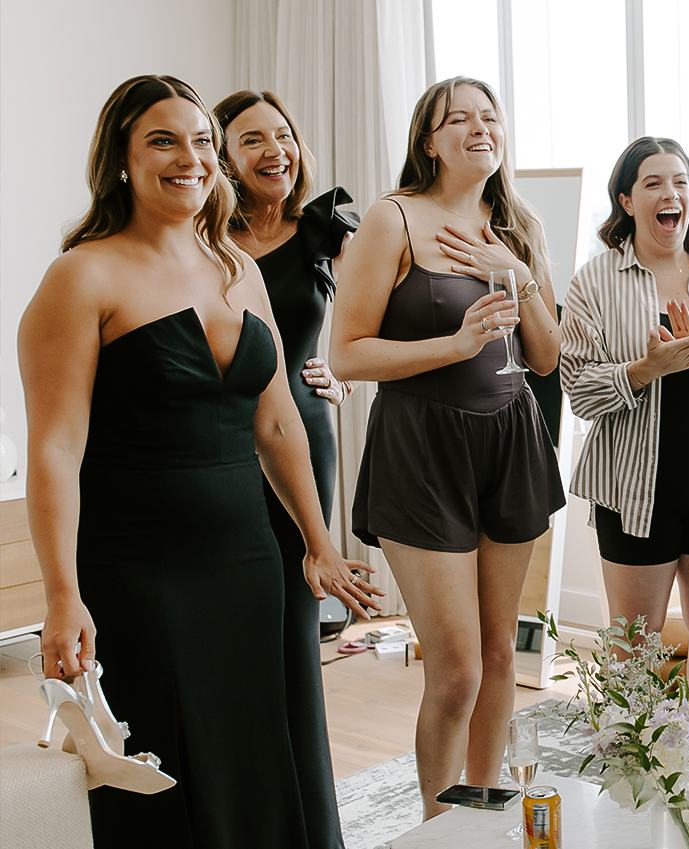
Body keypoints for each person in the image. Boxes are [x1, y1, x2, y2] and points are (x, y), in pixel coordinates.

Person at [19, 74, 381, 849]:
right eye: (163, 140)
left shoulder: (236, 267)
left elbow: (278, 418)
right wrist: (60, 594)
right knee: (166, 762)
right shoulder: (81, 275)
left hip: (247, 560)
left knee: (253, 750)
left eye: (201, 141)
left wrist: (318, 543)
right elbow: (54, 448)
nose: (190, 157)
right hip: (138, 566)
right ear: (120, 158)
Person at [330, 76, 565, 821]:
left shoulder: (518, 225)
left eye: (488, 116)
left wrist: (520, 277)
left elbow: (550, 355)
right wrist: (452, 343)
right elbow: (347, 355)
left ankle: (482, 813)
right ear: (427, 141)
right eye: (456, 118)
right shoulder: (391, 220)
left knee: (501, 655)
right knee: (458, 668)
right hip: (421, 445)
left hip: (509, 438)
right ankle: (439, 828)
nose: (477, 128)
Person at [559, 137, 689, 817]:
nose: (671, 195)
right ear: (626, 199)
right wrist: (649, 369)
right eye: (654, 183)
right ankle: (636, 763)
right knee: (633, 640)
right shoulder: (595, 280)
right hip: (633, 489)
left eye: (681, 182)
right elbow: (577, 390)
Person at [214, 88, 361, 849]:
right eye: (252, 140)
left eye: (284, 135)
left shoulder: (326, 227)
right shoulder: (205, 240)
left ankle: (314, 828)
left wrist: (346, 371)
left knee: (295, 634)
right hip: (220, 444)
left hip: (300, 435)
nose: (275, 151)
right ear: (225, 158)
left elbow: (384, 311)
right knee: (236, 635)